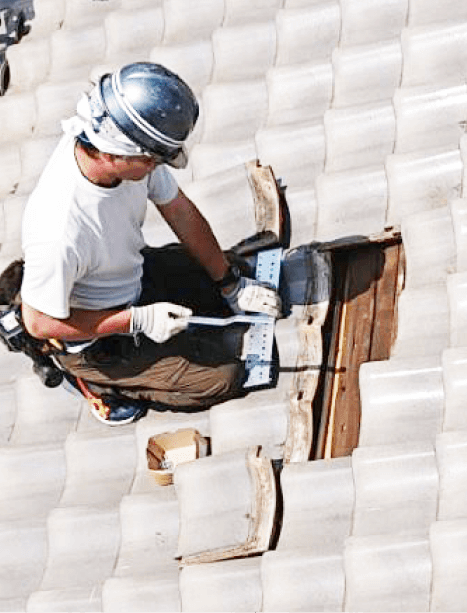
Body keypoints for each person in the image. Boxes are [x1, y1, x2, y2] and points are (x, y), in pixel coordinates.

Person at [17, 62, 280, 425]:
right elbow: (41, 324)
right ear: (112, 156)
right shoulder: (60, 231)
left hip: (131, 277)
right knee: (224, 379)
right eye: (152, 159)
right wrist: (135, 320)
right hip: (94, 338)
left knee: (233, 265)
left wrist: (229, 283)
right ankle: (96, 383)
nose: (157, 167)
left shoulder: (128, 151)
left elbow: (181, 214)